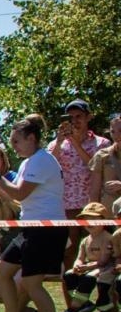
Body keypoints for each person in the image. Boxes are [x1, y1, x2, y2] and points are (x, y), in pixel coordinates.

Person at [0, 114, 70, 312]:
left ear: (32, 138)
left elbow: (19, 193)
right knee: (1, 271)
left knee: (32, 283)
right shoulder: (28, 162)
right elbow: (18, 200)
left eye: (17, 142)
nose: (14, 147)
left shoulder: (41, 160)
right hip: (31, 227)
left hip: (46, 230)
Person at [54, 100, 110, 273]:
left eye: (79, 116)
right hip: (66, 207)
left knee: (100, 253)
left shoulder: (102, 144)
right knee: (69, 254)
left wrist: (75, 143)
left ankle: (105, 297)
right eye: (70, 117)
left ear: (89, 117)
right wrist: (58, 142)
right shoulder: (58, 143)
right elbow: (50, 166)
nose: (74, 121)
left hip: (93, 206)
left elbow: (93, 165)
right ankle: (71, 298)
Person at [60, 202, 115, 312]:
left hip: (105, 268)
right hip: (90, 266)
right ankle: (84, 304)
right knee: (68, 275)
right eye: (86, 219)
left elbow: (104, 261)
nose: (89, 222)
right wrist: (77, 265)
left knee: (89, 278)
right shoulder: (85, 240)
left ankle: (74, 308)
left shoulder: (108, 238)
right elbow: (80, 258)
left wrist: (87, 267)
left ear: (104, 221)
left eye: (94, 219)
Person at [89, 111, 121, 207]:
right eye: (113, 131)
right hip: (110, 215)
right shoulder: (102, 155)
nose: (116, 136)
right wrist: (93, 215)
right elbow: (95, 191)